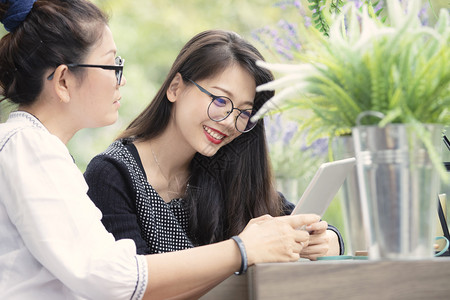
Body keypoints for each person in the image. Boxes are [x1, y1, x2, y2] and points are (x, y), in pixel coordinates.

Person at [0, 1, 322, 299]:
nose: (120, 81)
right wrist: (242, 249)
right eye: (112, 65)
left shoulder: (37, 149)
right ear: (63, 81)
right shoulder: (30, 148)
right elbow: (114, 277)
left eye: (243, 112)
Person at [84, 29, 344, 260]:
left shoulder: (225, 165)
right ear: (175, 88)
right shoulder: (112, 174)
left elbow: (292, 217)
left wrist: (328, 240)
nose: (231, 122)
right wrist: (241, 250)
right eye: (220, 101)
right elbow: (135, 284)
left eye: (244, 113)